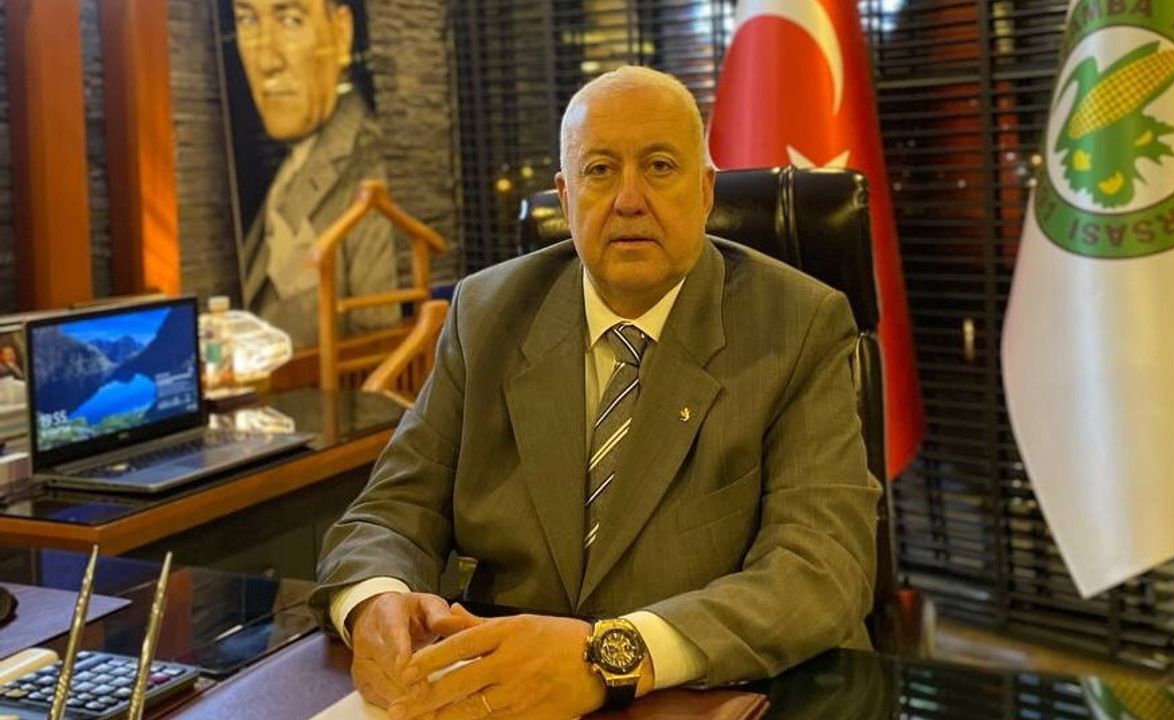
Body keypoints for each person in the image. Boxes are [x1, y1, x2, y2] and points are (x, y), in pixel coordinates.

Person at [310, 66, 881, 719]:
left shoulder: (797, 324)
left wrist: (609, 656)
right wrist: (375, 602)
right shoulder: (486, 315)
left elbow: (819, 569)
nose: (629, 199)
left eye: (659, 167)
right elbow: (390, 512)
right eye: (600, 170)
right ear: (565, 196)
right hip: (504, 698)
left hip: (714, 695)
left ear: (704, 192)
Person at [232, 0, 398, 348]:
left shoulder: (370, 170)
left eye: (291, 20)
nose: (267, 61)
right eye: (247, 20)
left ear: (341, 32)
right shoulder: (292, 164)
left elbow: (378, 337)